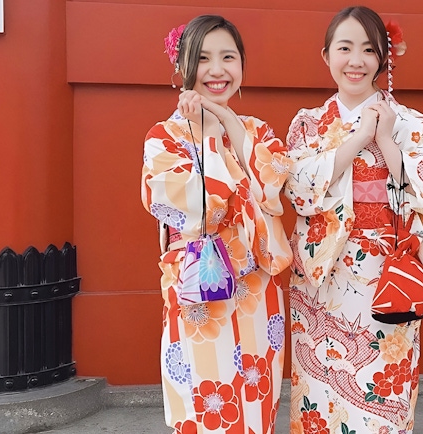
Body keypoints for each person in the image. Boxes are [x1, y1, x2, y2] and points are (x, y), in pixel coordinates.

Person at [283, 6, 423, 433]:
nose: (356, 60)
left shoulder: (410, 124)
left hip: (388, 274)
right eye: (344, 48)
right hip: (322, 280)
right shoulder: (308, 124)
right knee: (319, 392)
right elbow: (296, 189)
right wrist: (360, 139)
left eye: (369, 49)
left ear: (384, 58)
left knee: (385, 391)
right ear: (326, 55)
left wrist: (385, 139)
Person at [141, 15, 292, 434]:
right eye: (203, 58)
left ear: (241, 65)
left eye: (228, 57)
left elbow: (275, 185)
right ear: (183, 67)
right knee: (204, 401)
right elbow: (194, 207)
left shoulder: (258, 131)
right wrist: (209, 138)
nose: (217, 69)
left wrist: (226, 121)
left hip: (257, 289)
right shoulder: (164, 137)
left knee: (257, 399)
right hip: (199, 287)